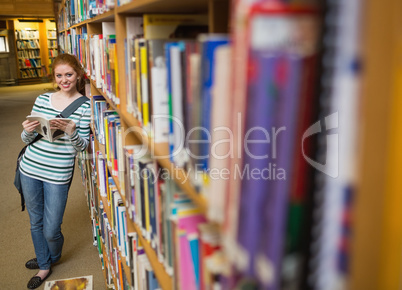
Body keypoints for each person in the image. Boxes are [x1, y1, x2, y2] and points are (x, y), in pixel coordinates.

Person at [19, 53, 91, 289]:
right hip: (30, 167)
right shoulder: (42, 99)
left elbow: (83, 148)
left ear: (78, 74)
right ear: (54, 78)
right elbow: (25, 138)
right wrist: (27, 130)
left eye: (68, 74)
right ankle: (44, 265)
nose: (64, 80)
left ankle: (53, 255)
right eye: (59, 76)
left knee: (51, 229)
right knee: (35, 221)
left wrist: (71, 131)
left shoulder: (86, 106)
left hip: (57, 174)